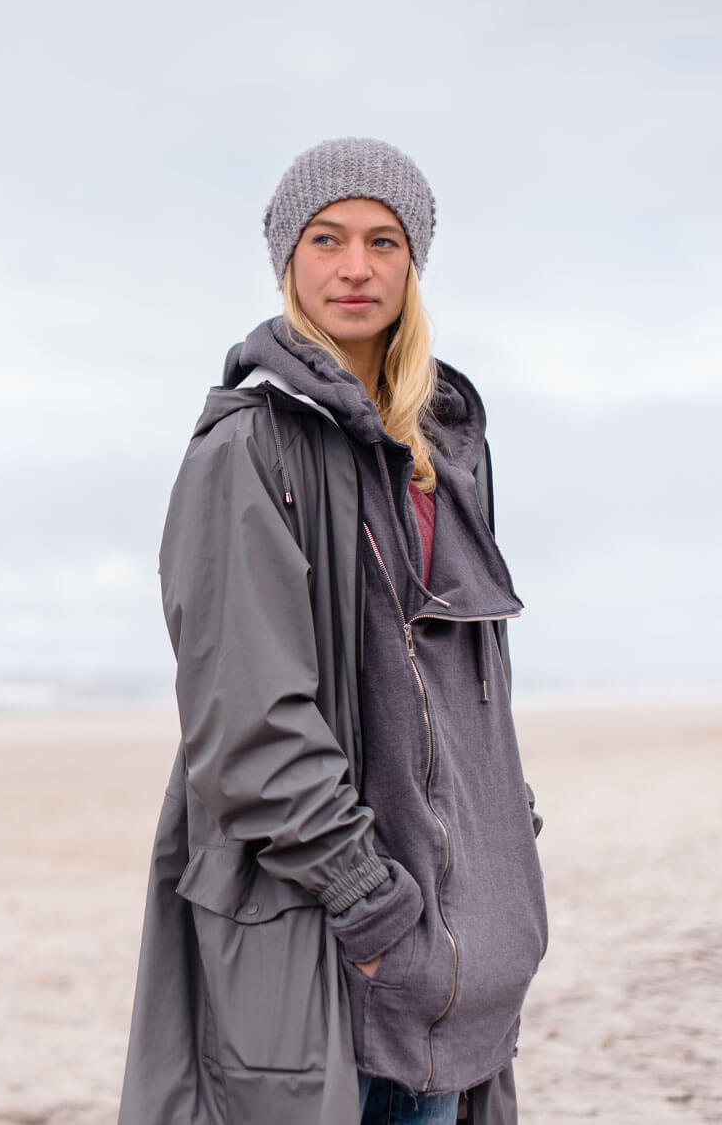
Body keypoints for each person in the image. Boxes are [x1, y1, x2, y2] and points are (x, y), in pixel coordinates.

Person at [116, 138, 548, 1125]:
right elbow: (250, 728)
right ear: (287, 260)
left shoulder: (440, 450)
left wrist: (500, 848)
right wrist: (371, 904)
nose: (356, 267)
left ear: (413, 264)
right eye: (328, 239)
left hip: (455, 939)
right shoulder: (248, 450)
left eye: (384, 241)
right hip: (335, 932)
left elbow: (464, 690)